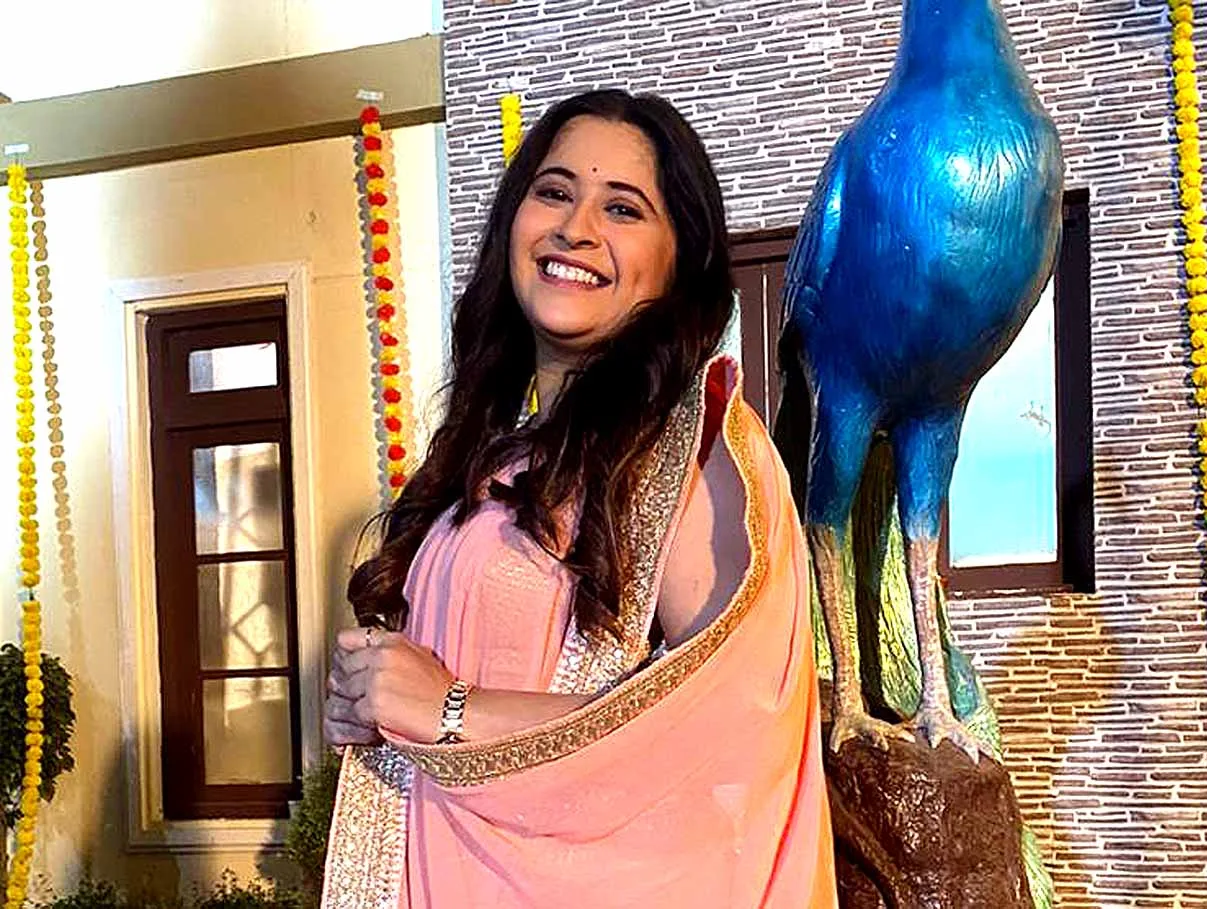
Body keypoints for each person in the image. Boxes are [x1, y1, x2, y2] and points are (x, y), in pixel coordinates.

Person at [320, 89, 837, 908]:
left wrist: (448, 709)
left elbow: (727, 741)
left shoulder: (692, 445)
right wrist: (373, 704)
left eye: (623, 209)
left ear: (680, 259)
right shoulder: (493, 455)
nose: (576, 228)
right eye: (554, 191)